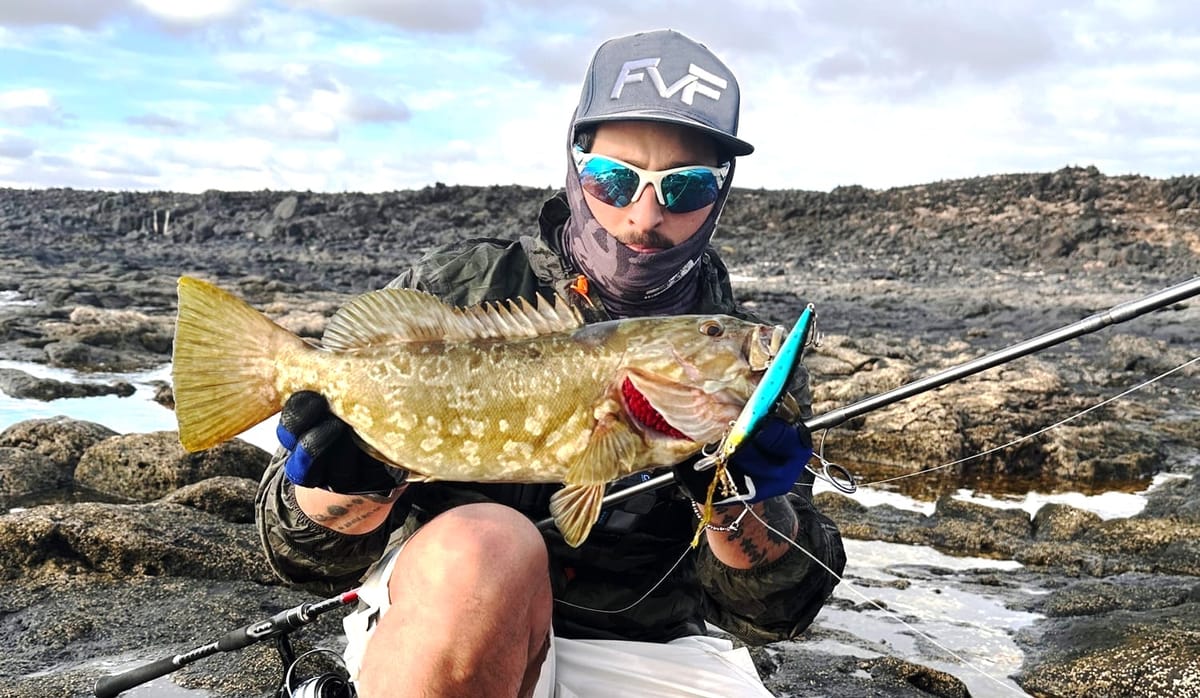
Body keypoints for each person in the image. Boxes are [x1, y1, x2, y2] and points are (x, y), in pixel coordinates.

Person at [256, 28, 846, 697]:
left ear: (722, 191)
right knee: (487, 546)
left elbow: (774, 613)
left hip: (650, 645)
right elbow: (296, 556)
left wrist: (742, 504)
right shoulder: (459, 290)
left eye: (684, 188)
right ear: (575, 164)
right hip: (451, 617)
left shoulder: (748, 365)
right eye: (615, 179)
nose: (644, 214)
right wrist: (349, 481)